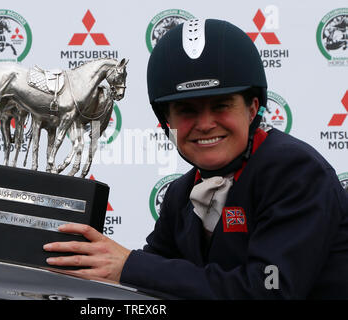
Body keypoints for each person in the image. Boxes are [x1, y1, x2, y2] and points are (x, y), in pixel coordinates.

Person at [43, 18, 348, 299]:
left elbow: (269, 289)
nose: (205, 123)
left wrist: (129, 266)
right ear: (167, 123)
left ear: (253, 109)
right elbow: (147, 287)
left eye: (221, 105)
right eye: (187, 110)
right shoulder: (181, 194)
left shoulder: (296, 172)